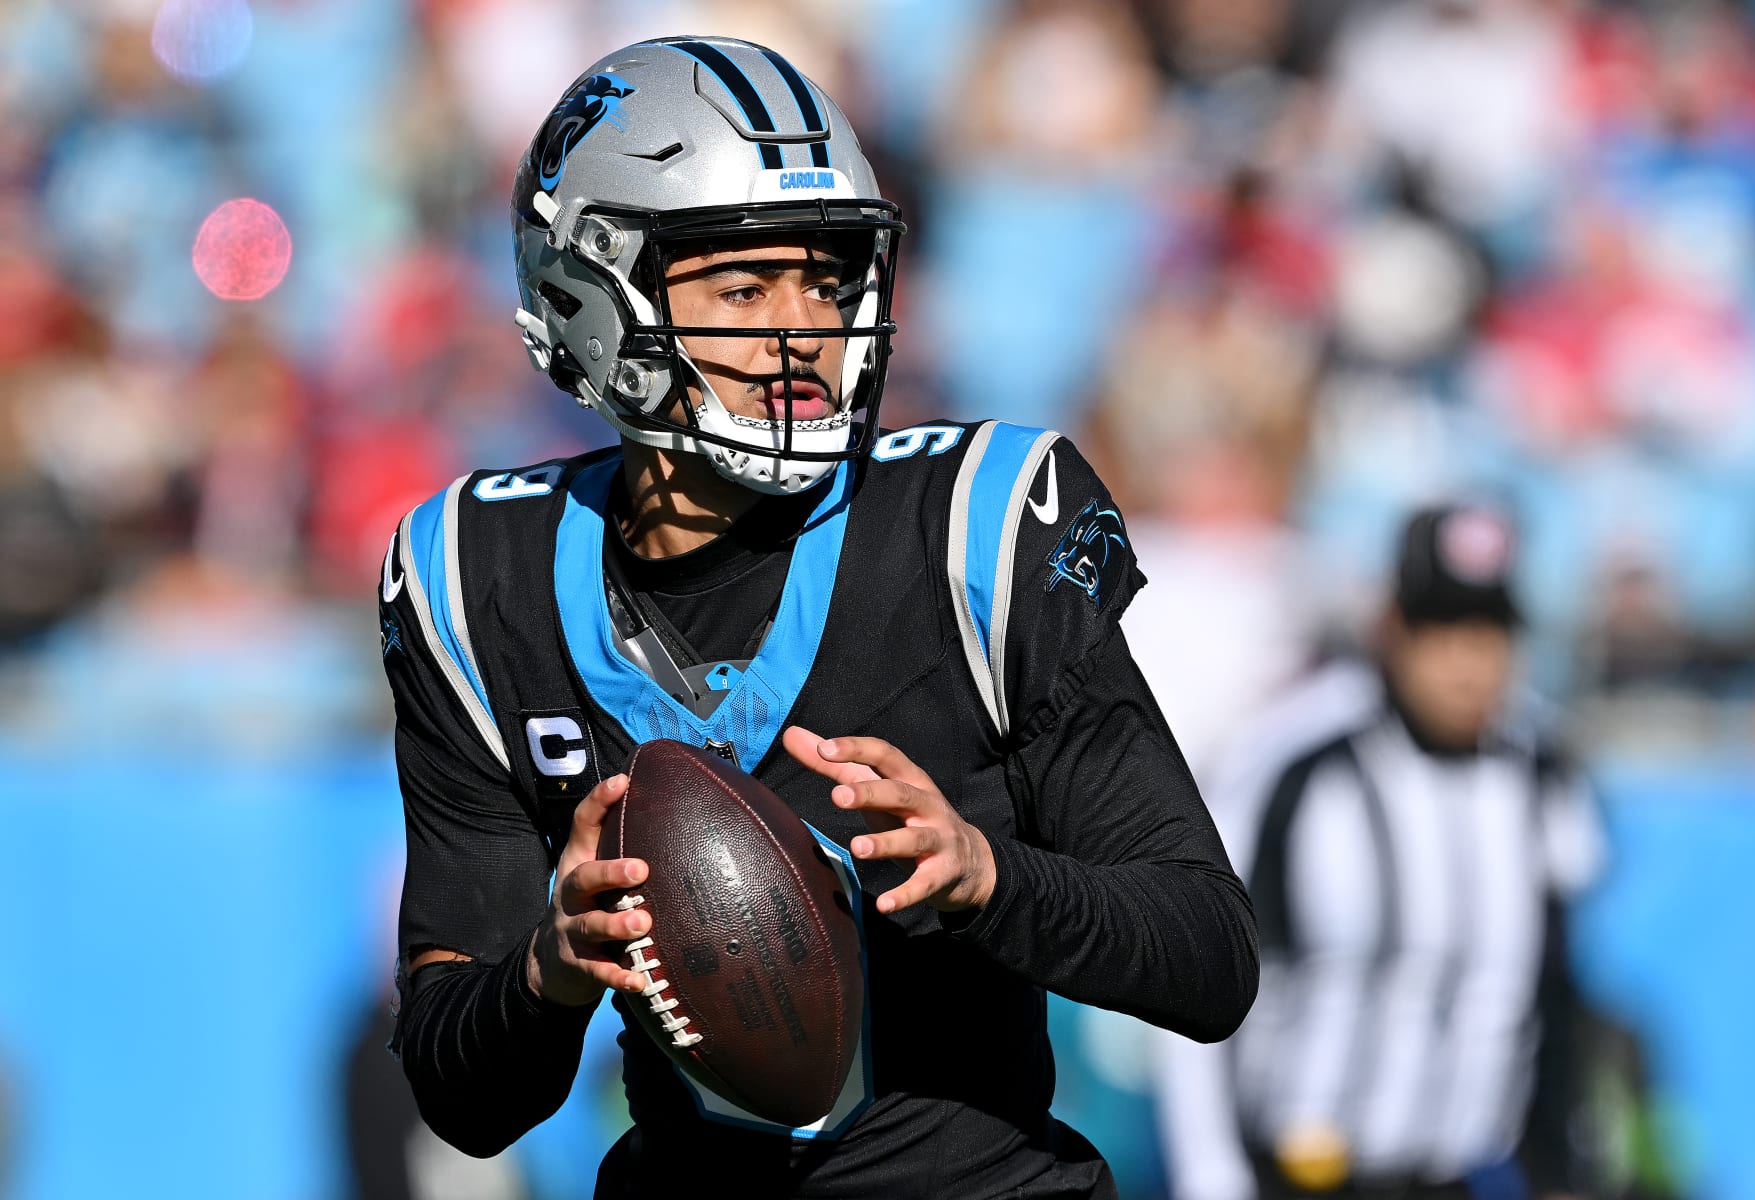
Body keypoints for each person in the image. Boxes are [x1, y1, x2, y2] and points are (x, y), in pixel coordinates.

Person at [376, 36, 1259, 1199]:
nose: (806, 331)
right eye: (745, 286)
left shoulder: (971, 534)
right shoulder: (475, 579)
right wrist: (548, 970)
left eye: (829, 281)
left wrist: (990, 878)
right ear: (587, 298)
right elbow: (463, 1101)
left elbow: (1210, 956)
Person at [1154, 503, 1607, 1200]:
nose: (1467, 661)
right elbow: (1195, 973)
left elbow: (1552, 993)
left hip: (1460, 1178)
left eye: (1488, 631)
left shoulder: (1542, 776)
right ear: (1392, 628)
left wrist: (1561, 1172)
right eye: (1441, 628)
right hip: (1294, 1177)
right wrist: (1211, 1176)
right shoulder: (1294, 762)